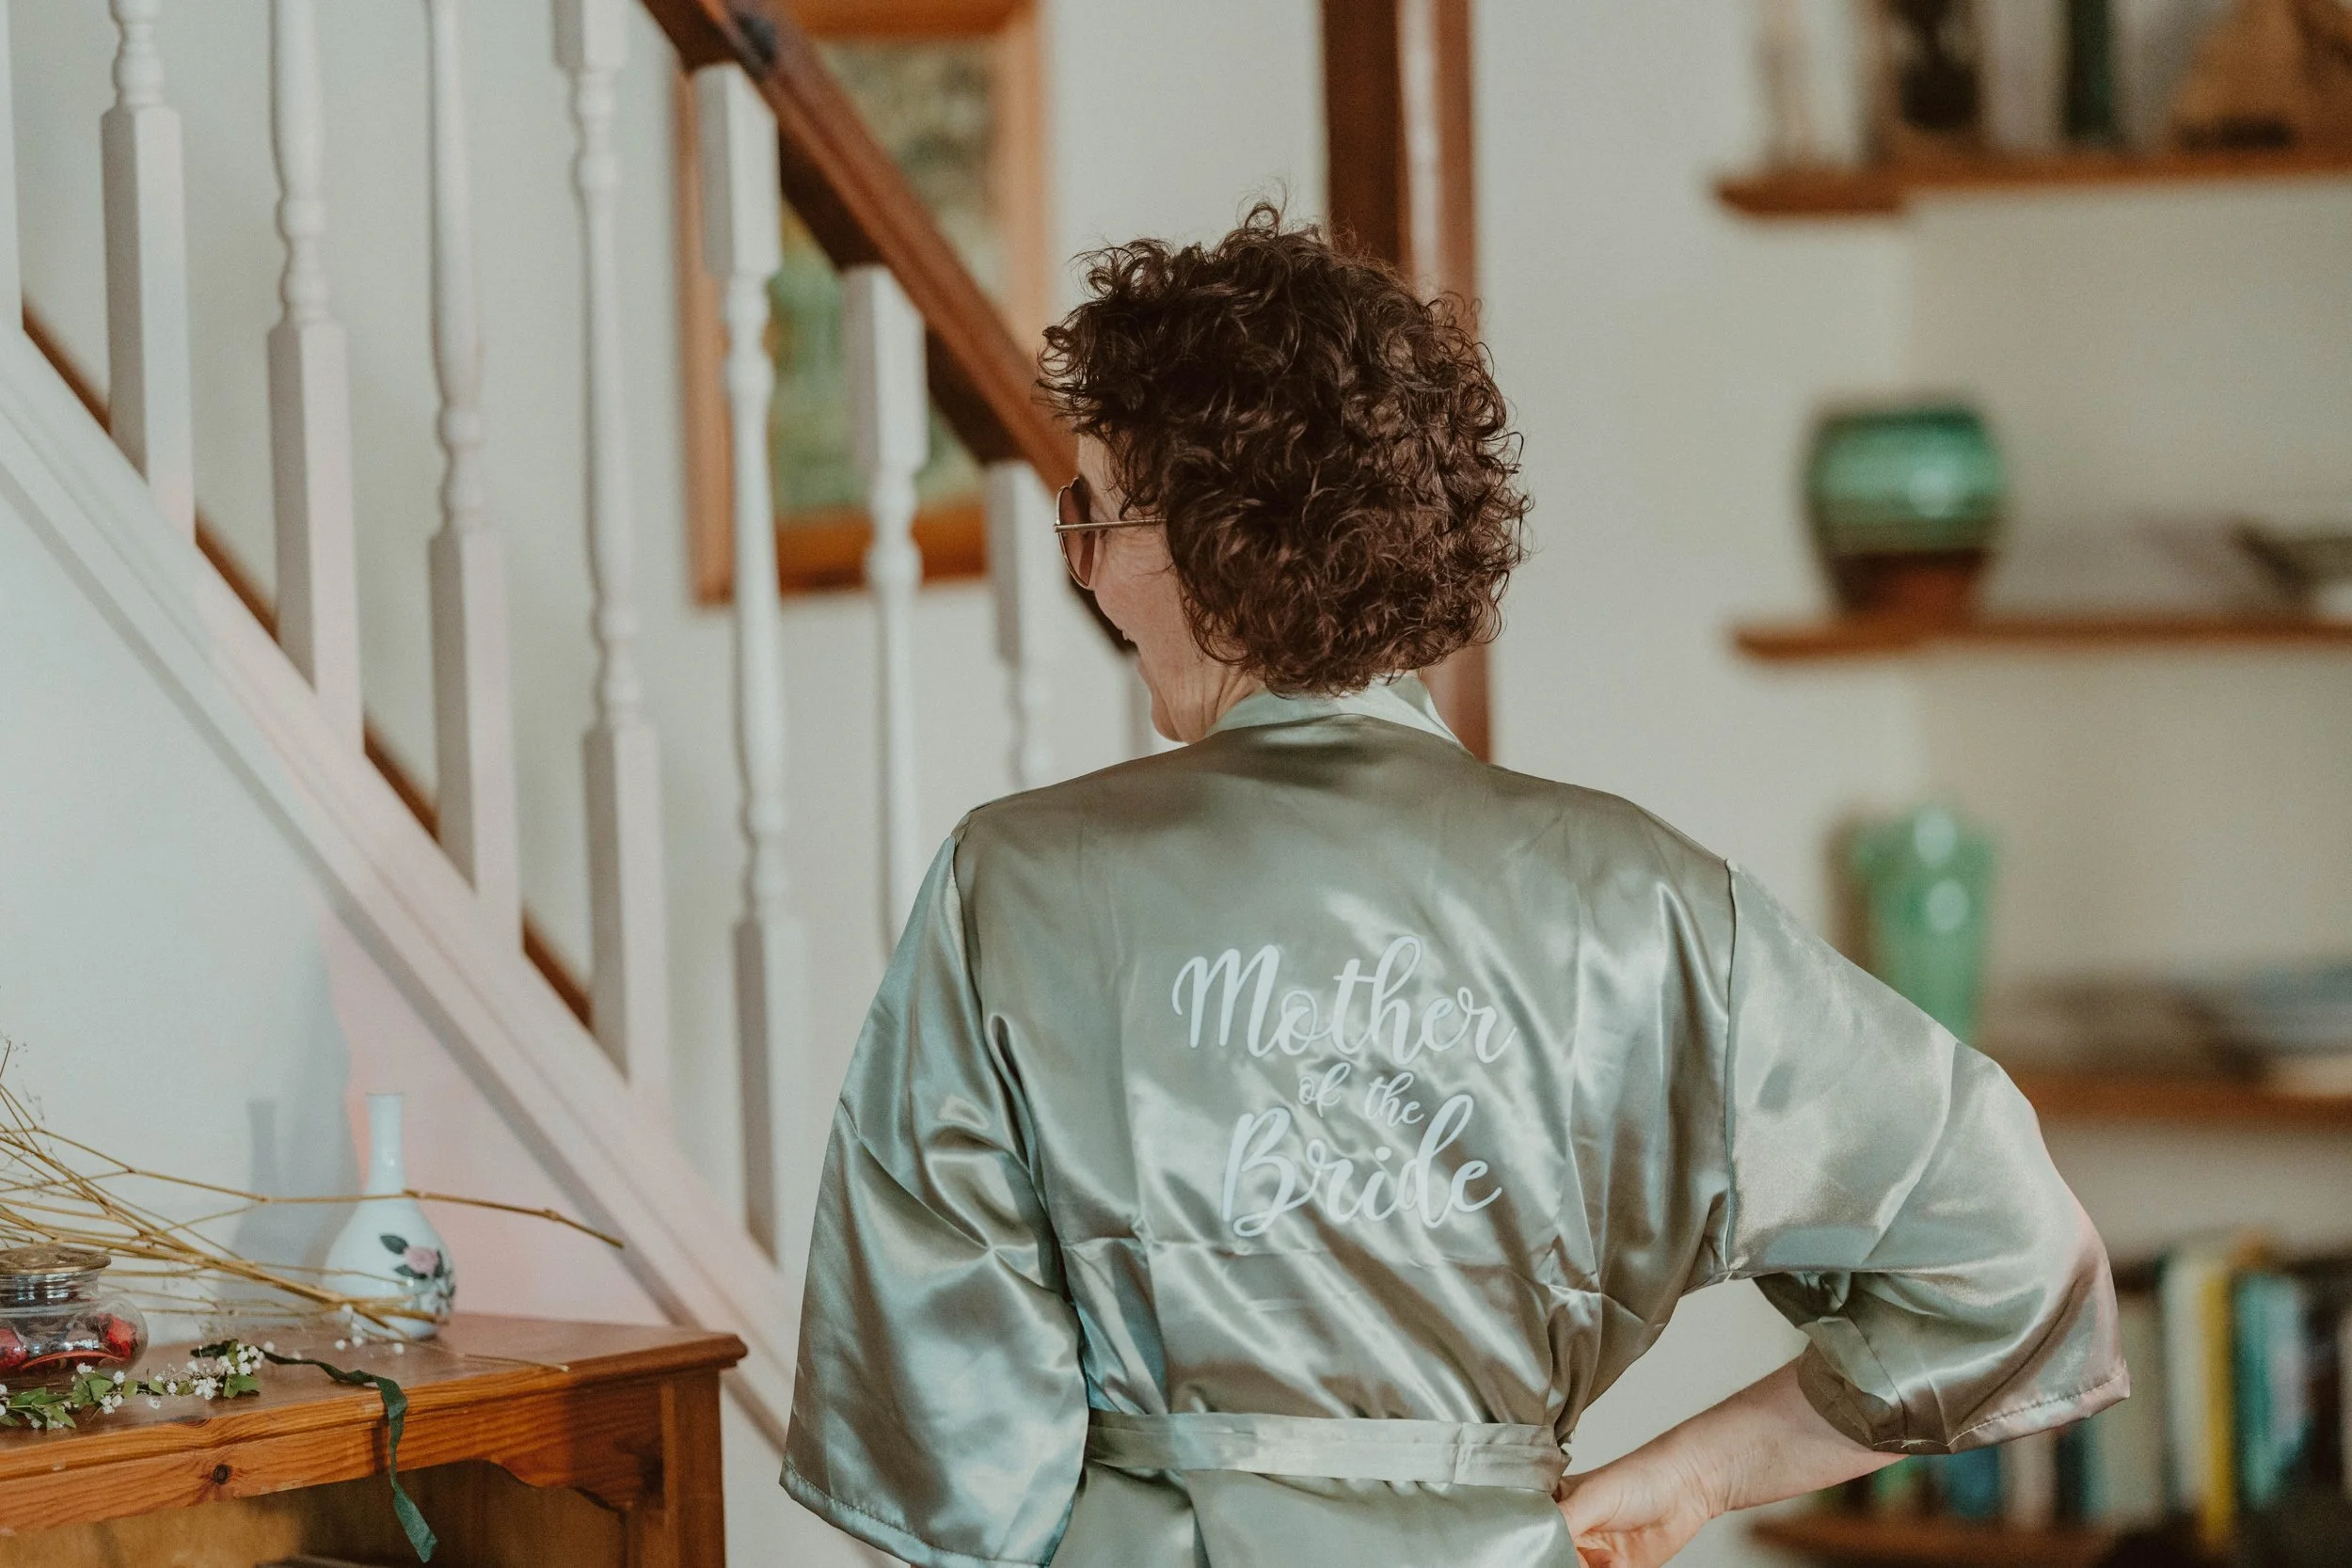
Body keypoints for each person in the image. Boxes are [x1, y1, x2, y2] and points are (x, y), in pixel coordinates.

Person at [781, 205, 2124, 1568]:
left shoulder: (1010, 887)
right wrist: (1698, 1472)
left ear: (1209, 537)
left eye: (1092, 515)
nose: (1083, 569)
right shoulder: (1642, 903)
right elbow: (2007, 1259)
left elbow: (950, 1443)